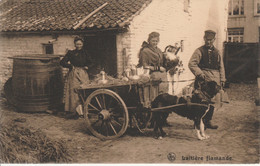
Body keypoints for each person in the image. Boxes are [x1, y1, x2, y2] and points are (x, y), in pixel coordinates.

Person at [188, 30, 226, 129]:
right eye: (207, 39)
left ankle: (208, 121)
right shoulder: (199, 51)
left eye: (211, 40)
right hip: (203, 80)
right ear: (204, 39)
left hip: (215, 79)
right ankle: (198, 121)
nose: (208, 42)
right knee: (200, 100)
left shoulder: (217, 52)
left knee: (212, 101)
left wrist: (222, 78)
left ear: (214, 40)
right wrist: (200, 73)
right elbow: (192, 64)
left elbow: (221, 66)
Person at [138, 31, 170, 126]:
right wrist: (158, 68)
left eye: (156, 41)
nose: (155, 42)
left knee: (164, 98)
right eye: (153, 41)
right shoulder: (145, 51)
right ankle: (153, 121)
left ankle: (163, 119)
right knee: (156, 99)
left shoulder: (158, 50)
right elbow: (145, 66)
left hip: (163, 77)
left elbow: (163, 61)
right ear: (149, 40)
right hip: (154, 76)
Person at [60, 36, 93, 119]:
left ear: (82, 44)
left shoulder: (85, 53)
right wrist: (70, 66)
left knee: (84, 91)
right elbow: (62, 62)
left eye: (80, 44)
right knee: (74, 92)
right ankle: (75, 112)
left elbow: (91, 62)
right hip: (74, 74)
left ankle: (85, 111)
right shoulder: (71, 53)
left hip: (83, 74)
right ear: (74, 44)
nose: (79, 46)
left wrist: (87, 67)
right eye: (77, 44)